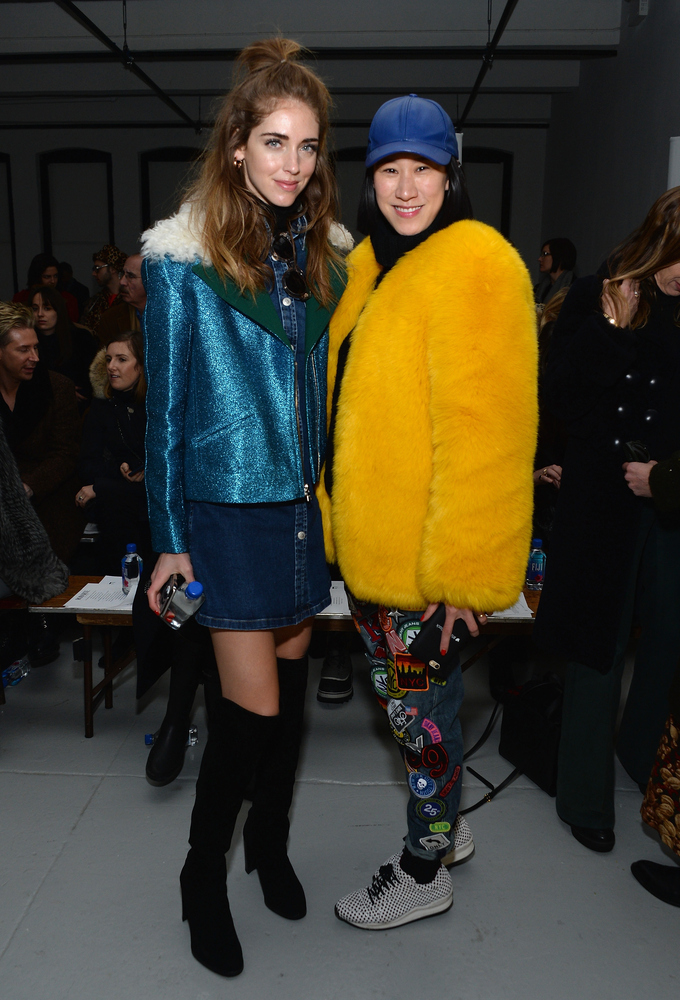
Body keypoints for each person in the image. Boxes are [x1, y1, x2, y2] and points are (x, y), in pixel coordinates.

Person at [140, 38, 349, 978]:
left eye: (307, 147)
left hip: (301, 509)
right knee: (249, 714)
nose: (292, 164)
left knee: (293, 701)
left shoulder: (321, 256)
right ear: (236, 145)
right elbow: (166, 413)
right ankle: (201, 876)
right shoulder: (182, 261)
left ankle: (268, 845)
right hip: (224, 511)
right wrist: (169, 543)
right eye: (274, 143)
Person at [317, 94, 537, 930]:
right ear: (370, 179)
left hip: (425, 574)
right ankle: (447, 825)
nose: (407, 187)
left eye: (424, 168)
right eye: (389, 170)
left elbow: (490, 431)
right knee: (407, 709)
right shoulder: (374, 264)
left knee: (420, 719)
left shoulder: (477, 263)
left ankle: (422, 865)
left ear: (453, 173)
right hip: (375, 558)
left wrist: (465, 576)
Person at [533, 187, 680, 854]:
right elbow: (560, 394)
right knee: (597, 647)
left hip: (673, 500)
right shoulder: (600, 292)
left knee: (668, 645)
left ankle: (641, 763)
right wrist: (612, 329)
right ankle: (584, 798)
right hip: (602, 495)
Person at [0, 301, 84, 663]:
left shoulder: (56, 388)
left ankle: (40, 625)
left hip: (48, 493)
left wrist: (26, 488)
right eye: (23, 349)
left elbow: (65, 455)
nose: (34, 356)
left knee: (37, 528)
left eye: (36, 347)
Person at [76, 330, 150, 571]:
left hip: (153, 500)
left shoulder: (158, 404)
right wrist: (119, 471)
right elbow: (86, 464)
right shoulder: (101, 406)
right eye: (108, 359)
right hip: (118, 506)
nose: (111, 367)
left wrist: (101, 487)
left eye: (122, 359)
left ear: (141, 365)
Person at [30, 285, 98, 404]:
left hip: (77, 404)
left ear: (58, 310)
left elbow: (92, 377)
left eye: (47, 308)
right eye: (35, 308)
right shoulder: (28, 341)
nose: (40, 314)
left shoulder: (81, 338)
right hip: (39, 402)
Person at [13, 252, 79, 321]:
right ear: (37, 277)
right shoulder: (21, 298)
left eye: (56, 276)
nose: (53, 281)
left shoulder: (68, 299)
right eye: (47, 277)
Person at [97, 254, 146, 344]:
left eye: (130, 276)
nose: (122, 282)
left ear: (151, 281)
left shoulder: (172, 317)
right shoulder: (111, 319)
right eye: (123, 274)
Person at [82, 244, 127, 341]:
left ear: (112, 269)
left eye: (98, 269)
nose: (94, 273)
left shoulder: (128, 299)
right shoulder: (95, 302)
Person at [534, 237, 576, 305]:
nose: (540, 259)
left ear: (558, 256)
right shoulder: (538, 289)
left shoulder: (574, 289)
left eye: (545, 254)